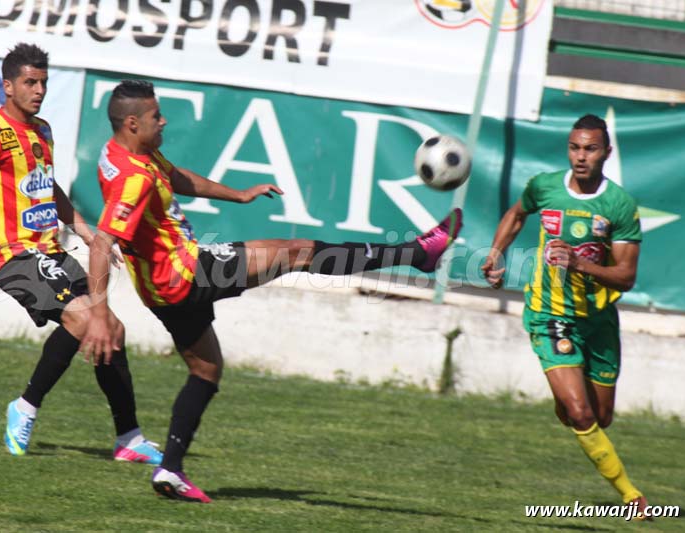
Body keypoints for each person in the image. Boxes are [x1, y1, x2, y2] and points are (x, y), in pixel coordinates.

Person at [82, 79, 463, 503]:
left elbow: (176, 178)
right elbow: (102, 243)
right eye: (156, 115)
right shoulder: (131, 177)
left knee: (206, 371)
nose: (164, 119)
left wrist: (238, 195)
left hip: (160, 291)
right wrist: (98, 314)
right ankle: (417, 254)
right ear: (133, 122)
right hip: (186, 274)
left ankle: (170, 470)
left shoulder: (123, 154)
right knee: (297, 252)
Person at [0, 43, 160, 464]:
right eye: (29, 82)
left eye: (42, 82)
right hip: (14, 256)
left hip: (52, 253)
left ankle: (128, 439)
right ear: (8, 86)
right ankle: (24, 407)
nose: (38, 90)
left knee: (109, 329)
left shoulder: (43, 130)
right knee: (81, 318)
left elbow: (48, 188)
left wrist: (86, 231)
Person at [481, 114, 648, 517]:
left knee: (599, 417)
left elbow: (625, 276)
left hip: (598, 318)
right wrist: (495, 252)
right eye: (575, 147)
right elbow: (517, 213)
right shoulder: (544, 187)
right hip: (549, 310)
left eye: (590, 149)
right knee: (579, 411)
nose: (580, 156)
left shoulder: (619, 205)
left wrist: (580, 264)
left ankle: (571, 404)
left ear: (606, 152)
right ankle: (631, 496)